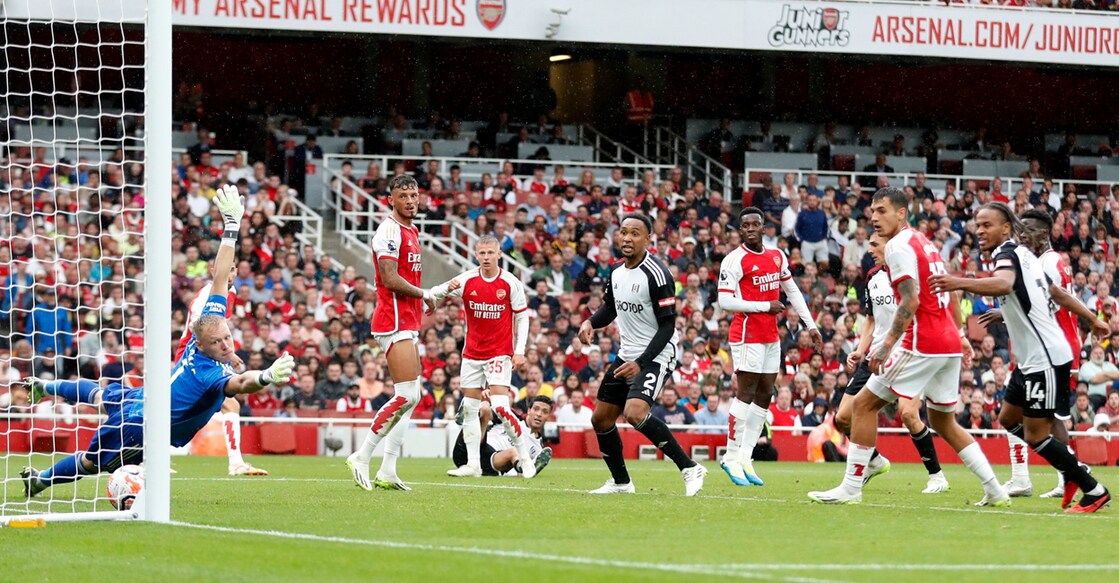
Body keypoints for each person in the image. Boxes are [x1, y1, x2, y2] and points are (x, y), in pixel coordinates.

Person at [21, 187, 295, 498]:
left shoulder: (212, 319)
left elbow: (220, 276)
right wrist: (266, 376)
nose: (225, 345)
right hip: (141, 425)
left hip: (147, 398)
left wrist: (231, 227)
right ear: (200, 345)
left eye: (227, 338)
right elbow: (243, 383)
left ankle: (44, 386)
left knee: (99, 394)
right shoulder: (210, 373)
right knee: (90, 462)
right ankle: (41, 480)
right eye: (217, 342)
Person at [809, 187, 1007, 506]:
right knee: (943, 421)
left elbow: (911, 300)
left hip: (921, 342)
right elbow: (947, 293)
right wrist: (959, 335)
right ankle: (995, 489)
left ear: (901, 213)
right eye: (873, 211)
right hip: (946, 343)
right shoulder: (923, 242)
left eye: (882, 210)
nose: (874, 217)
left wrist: (886, 345)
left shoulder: (898, 246)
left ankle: (851, 488)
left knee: (862, 406)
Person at [931, 203, 1110, 513]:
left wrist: (958, 281)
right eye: (978, 225)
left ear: (1005, 228)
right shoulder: (1026, 256)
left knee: (1036, 433)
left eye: (987, 225)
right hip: (1031, 359)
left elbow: (1004, 284)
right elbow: (1056, 294)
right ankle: (1069, 468)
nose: (980, 231)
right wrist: (1092, 319)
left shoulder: (1006, 253)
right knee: (1008, 418)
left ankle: (1092, 488)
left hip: (1045, 358)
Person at [579, 214, 707, 496]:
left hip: (657, 353)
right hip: (628, 354)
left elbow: (668, 326)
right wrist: (590, 322)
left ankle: (689, 468)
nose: (627, 238)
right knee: (601, 419)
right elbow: (610, 308)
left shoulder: (658, 274)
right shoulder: (616, 271)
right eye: (623, 232)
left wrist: (641, 363)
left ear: (648, 239)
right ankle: (621, 483)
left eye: (635, 233)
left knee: (634, 412)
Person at [987, 208, 1110, 501]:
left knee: (1053, 417)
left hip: (1052, 346)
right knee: (1013, 414)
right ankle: (1041, 474)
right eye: (1019, 229)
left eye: (1026, 229)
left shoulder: (1049, 262)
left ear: (1043, 234)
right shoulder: (1037, 259)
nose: (1020, 235)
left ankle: (1070, 474)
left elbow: (1051, 301)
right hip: (1038, 346)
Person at [347, 175, 458, 491]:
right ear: (390, 200)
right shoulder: (389, 231)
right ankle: (362, 455)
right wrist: (425, 294)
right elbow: (390, 278)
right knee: (407, 395)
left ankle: (388, 470)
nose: (410, 201)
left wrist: (422, 301)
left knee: (412, 397)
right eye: (403, 196)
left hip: (407, 320)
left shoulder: (412, 229)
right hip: (392, 320)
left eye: (414, 195)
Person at [833, 232, 949, 495]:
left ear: (890, 246)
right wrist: (860, 350)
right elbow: (871, 319)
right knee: (843, 418)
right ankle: (874, 461)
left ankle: (937, 476)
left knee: (908, 414)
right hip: (875, 357)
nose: (870, 249)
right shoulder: (872, 277)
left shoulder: (910, 275)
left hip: (907, 355)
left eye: (875, 244)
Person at [717, 206, 820, 487]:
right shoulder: (733, 260)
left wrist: (811, 325)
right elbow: (725, 301)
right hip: (746, 334)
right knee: (745, 394)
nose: (750, 229)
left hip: (771, 336)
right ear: (740, 231)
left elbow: (792, 291)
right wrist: (764, 306)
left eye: (755, 224)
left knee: (765, 395)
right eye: (745, 225)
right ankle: (730, 456)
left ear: (764, 227)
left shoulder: (776, 255)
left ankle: (746, 458)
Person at [429, 236, 535, 479]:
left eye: (490, 252)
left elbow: (522, 317)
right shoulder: (467, 280)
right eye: (482, 253)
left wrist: (519, 350)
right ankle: (473, 465)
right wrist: (441, 295)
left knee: (501, 408)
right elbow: (434, 292)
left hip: (499, 353)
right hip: (472, 355)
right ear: (476, 255)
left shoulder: (511, 283)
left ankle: (525, 459)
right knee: (469, 409)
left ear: (499, 254)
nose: (486, 257)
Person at [175, 263, 268, 476]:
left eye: (233, 269)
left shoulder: (231, 292)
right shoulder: (206, 295)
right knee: (181, 408)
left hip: (214, 354)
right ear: (213, 272)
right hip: (194, 356)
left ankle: (236, 462)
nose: (230, 273)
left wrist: (226, 352)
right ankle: (235, 463)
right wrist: (227, 353)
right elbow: (199, 332)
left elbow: (219, 328)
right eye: (227, 268)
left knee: (230, 404)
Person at [451, 396, 554, 477]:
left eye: (545, 412)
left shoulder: (537, 448)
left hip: (490, 464)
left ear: (549, 417)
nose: (539, 414)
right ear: (529, 410)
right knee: (485, 407)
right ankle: (468, 415)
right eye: (536, 409)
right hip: (466, 450)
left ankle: (523, 468)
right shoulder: (512, 415)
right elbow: (490, 414)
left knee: (514, 452)